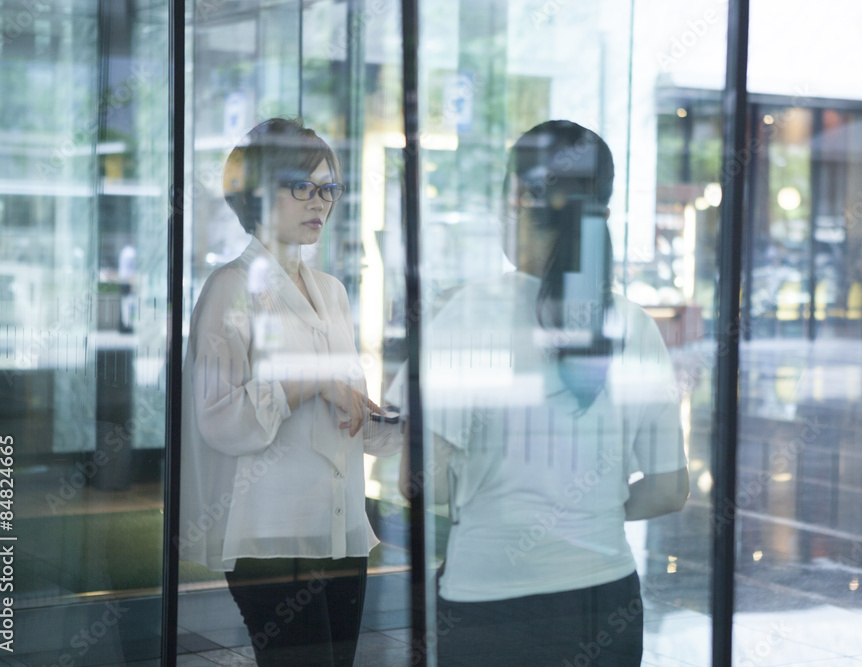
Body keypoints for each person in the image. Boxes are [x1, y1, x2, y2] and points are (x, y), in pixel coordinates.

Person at [400, 120, 690, 665]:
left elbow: (424, 485)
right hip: (607, 596)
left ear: (519, 196)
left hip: (490, 599)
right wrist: (584, 512)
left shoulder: (464, 313)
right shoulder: (634, 324)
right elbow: (670, 490)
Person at [178, 117, 402, 666]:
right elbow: (218, 420)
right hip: (269, 533)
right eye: (302, 186)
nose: (319, 202)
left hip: (339, 529)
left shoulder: (332, 291)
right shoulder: (232, 286)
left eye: (329, 189)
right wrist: (312, 381)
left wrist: (399, 420)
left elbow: (348, 417)